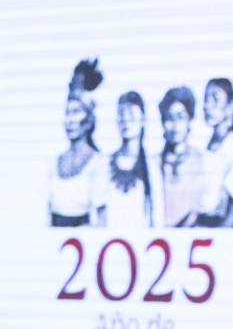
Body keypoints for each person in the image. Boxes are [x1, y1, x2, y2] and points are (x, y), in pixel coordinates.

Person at [93, 91, 163, 227]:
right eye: (121, 115)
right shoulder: (104, 163)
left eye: (131, 115)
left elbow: (157, 217)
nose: (125, 121)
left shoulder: (151, 167)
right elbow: (97, 212)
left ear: (142, 120)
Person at [153, 86, 219, 227]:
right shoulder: (153, 164)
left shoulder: (205, 161)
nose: (175, 125)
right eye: (169, 118)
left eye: (181, 117)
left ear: (189, 120)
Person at [48, 59, 103, 226]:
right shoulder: (55, 162)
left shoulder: (98, 162)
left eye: (76, 112)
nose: (70, 120)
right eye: (68, 113)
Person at [199, 77, 233, 227]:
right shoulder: (209, 145)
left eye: (215, 100)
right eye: (206, 99)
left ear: (229, 106)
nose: (207, 106)